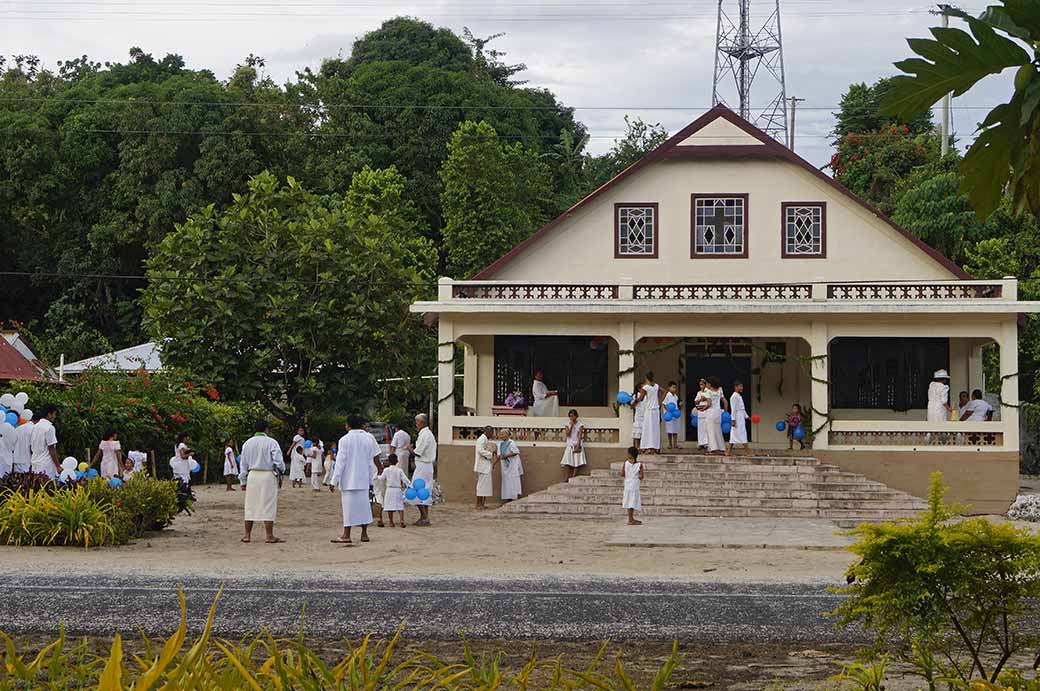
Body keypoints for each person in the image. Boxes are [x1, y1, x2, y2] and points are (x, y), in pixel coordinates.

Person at [330, 414, 380, 545]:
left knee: (348, 509)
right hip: (363, 479)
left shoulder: (344, 440)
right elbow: (370, 462)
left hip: (349, 480)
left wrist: (333, 481)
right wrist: (370, 481)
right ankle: (364, 534)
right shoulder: (368, 439)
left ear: (348, 425)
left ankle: (346, 534)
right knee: (364, 507)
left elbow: (340, 462)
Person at [238, 419, 286, 544]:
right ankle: (269, 535)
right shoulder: (271, 442)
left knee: (250, 505)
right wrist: (281, 471)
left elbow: (243, 464)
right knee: (268, 504)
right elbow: (279, 461)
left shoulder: (247, 443)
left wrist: (242, 481)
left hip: (252, 475)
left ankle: (247, 535)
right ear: (266, 429)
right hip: (267, 475)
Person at [409, 413, 437, 526]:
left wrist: (409, 448)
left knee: (415, 491)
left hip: (423, 466)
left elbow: (418, 452)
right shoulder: (428, 434)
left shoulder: (425, 435)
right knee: (425, 492)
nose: (416, 425)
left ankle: (424, 517)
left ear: (421, 423)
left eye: (417, 422)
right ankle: (424, 517)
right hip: (427, 466)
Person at [379, 454, 411, 527]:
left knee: (389, 507)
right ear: (397, 461)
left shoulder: (386, 470)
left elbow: (381, 478)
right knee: (400, 506)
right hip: (397, 490)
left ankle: (391, 522)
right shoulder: (399, 470)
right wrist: (410, 485)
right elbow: (405, 479)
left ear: (389, 462)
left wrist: (375, 477)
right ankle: (402, 520)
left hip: (389, 490)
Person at [29, 405, 60, 480]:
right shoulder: (49, 428)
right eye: (54, 414)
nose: (55, 416)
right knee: (47, 488)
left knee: (36, 487)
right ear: (49, 414)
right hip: (46, 464)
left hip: (35, 462)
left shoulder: (35, 426)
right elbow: (51, 449)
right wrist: (58, 466)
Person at [635, 372, 662, 454]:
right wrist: (659, 402)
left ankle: (648, 448)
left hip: (649, 410)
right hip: (656, 410)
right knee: (655, 429)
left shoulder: (646, 387)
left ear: (646, 378)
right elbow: (664, 391)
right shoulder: (656, 386)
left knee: (647, 429)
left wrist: (634, 401)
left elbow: (641, 398)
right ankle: (656, 447)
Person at [702, 377, 727, 454]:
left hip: (710, 413)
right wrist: (725, 412)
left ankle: (713, 449)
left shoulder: (708, 392)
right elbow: (725, 402)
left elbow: (709, 404)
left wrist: (703, 409)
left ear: (710, 384)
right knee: (718, 430)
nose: (706, 385)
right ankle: (721, 448)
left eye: (706, 384)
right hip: (718, 413)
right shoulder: (720, 390)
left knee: (710, 431)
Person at [560, 409, 586, 481]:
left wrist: (578, 445)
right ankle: (566, 477)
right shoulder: (567, 424)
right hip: (569, 444)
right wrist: (571, 426)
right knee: (566, 462)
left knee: (576, 462)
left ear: (576, 416)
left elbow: (580, 436)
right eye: (570, 416)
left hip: (577, 444)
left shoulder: (580, 425)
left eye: (573, 416)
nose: (571, 418)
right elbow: (568, 434)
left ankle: (573, 477)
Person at [498, 429, 522, 502]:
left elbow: (516, 452)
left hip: (512, 465)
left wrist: (506, 455)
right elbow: (499, 454)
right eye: (500, 434)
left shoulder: (511, 443)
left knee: (513, 481)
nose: (501, 436)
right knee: (506, 482)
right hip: (504, 466)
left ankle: (514, 498)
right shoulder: (500, 444)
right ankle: (508, 498)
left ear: (508, 435)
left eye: (503, 434)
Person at [473, 425, 495, 509]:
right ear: (488, 432)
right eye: (492, 433)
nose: (492, 435)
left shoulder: (485, 439)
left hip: (485, 465)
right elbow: (480, 450)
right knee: (481, 486)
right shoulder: (481, 439)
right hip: (482, 466)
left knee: (485, 486)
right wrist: (490, 454)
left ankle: (482, 504)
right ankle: (478, 504)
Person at [622, 446, 644, 526]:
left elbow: (622, 474)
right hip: (634, 485)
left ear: (629, 454)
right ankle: (631, 520)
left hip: (627, 484)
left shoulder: (625, 463)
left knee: (629, 501)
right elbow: (641, 476)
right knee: (632, 501)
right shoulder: (640, 465)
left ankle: (630, 519)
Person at [728, 380, 750, 454]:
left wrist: (747, 417)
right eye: (740, 386)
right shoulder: (734, 397)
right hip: (737, 418)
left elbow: (742, 408)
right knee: (742, 433)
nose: (742, 388)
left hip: (740, 417)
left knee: (734, 435)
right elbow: (733, 409)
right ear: (736, 387)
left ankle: (728, 452)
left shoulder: (739, 396)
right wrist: (733, 420)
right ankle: (748, 452)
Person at [663, 381, 682, 450]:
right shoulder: (668, 395)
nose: (674, 389)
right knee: (670, 430)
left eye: (675, 388)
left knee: (675, 430)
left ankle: (675, 444)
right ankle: (670, 444)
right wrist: (668, 411)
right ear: (669, 388)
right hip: (669, 415)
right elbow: (664, 404)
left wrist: (680, 405)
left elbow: (676, 405)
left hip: (675, 415)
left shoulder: (676, 396)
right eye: (673, 387)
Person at [693, 379, 709, 449]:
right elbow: (696, 402)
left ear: (705, 385)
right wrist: (701, 400)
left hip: (707, 413)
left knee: (707, 429)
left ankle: (706, 443)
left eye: (702, 384)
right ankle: (701, 443)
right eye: (700, 384)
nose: (701, 386)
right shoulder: (698, 393)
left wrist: (705, 399)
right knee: (700, 429)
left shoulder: (708, 392)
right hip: (700, 413)